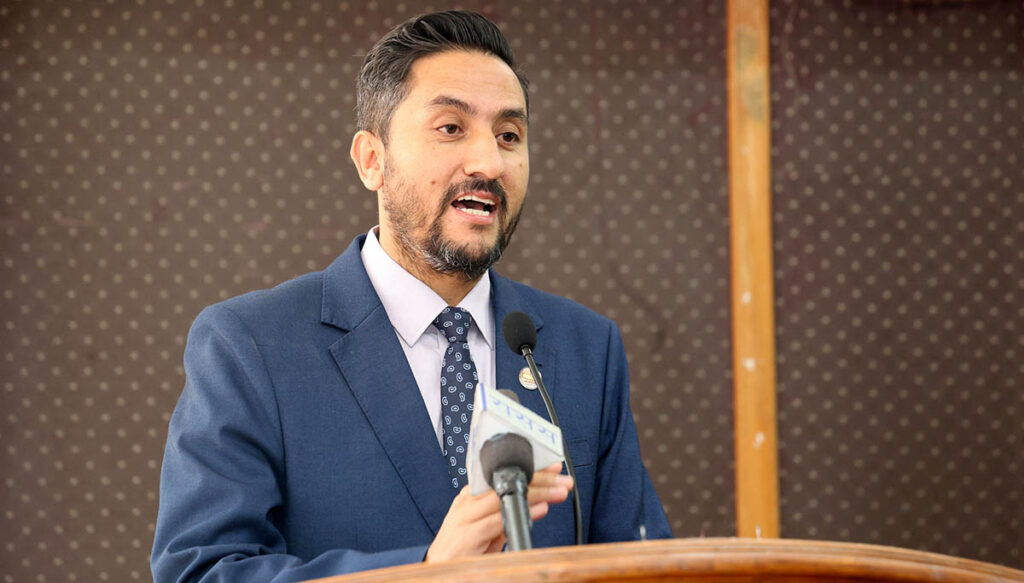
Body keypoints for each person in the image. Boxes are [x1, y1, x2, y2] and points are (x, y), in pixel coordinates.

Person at [151, 10, 671, 582]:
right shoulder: (252, 345)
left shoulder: (585, 347)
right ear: (371, 160)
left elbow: (639, 565)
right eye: (451, 128)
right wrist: (427, 571)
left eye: (509, 136)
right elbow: (201, 571)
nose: (488, 162)